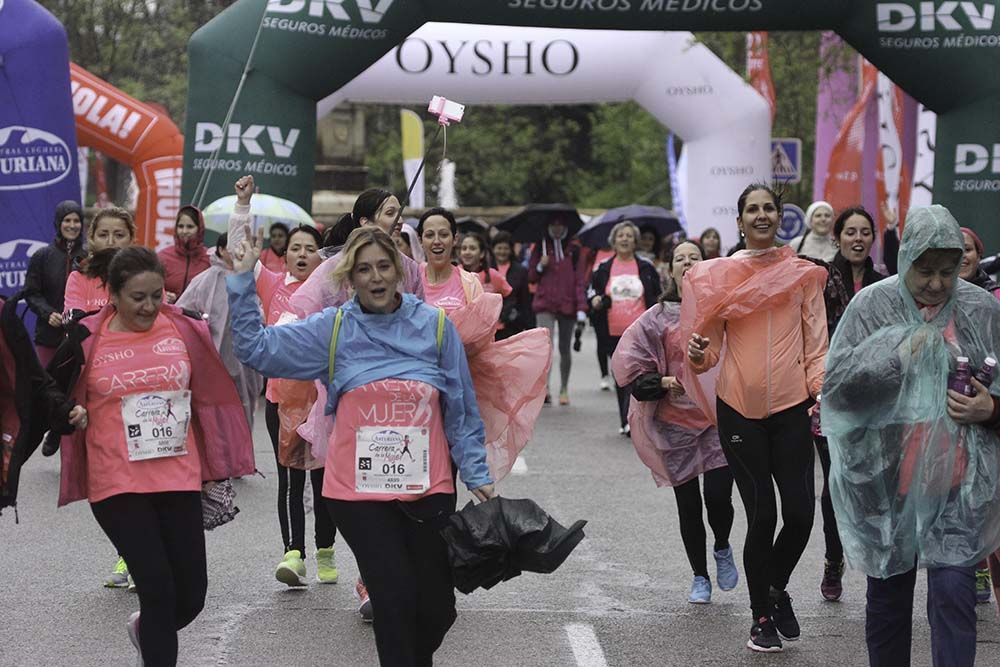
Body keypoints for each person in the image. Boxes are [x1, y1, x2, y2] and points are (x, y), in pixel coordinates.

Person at [227, 225, 494, 667]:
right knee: (392, 599)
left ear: (401, 273)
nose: (374, 276)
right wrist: (240, 281)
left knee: (436, 609)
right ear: (349, 278)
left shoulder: (435, 328)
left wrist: (478, 474)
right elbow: (256, 348)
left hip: (429, 488)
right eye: (363, 269)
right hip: (357, 495)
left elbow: (460, 408)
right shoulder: (332, 330)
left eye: (383, 266)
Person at [49, 246, 255, 667]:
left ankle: (146, 629)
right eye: (137, 298)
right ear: (114, 295)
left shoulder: (183, 329)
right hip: (117, 480)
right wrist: (67, 412)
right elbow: (46, 387)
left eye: (157, 295)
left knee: (191, 596)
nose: (148, 306)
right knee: (158, 590)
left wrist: (215, 465)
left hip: (178, 475)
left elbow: (209, 393)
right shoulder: (87, 335)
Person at [823, 205, 1000, 667]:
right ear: (905, 260)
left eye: (948, 271)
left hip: (957, 483)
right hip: (885, 481)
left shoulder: (980, 310)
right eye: (925, 271)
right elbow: (838, 393)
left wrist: (991, 408)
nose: (938, 284)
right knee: (887, 597)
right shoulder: (872, 307)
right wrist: (896, 357)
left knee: (953, 592)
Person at [684, 183, 828, 653]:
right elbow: (707, 351)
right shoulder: (722, 275)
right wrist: (698, 353)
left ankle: (775, 586)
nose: (762, 215)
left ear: (781, 216)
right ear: (740, 221)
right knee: (762, 513)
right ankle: (761, 616)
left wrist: (820, 393)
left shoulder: (805, 275)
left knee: (802, 514)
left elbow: (816, 346)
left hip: (790, 410)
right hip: (739, 411)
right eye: (752, 209)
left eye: (769, 208)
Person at [610, 239, 738, 604]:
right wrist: (665, 381)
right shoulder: (655, 318)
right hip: (674, 424)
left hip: (717, 418)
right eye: (680, 258)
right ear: (670, 269)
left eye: (694, 258)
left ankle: (723, 546)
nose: (686, 263)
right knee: (688, 504)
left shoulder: (722, 310)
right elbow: (631, 369)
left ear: (705, 266)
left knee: (718, 497)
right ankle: (699, 575)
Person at [226, 176, 338, 588]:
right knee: (289, 477)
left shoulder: (331, 292)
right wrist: (243, 206)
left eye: (311, 248)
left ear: (320, 257)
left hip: (323, 401)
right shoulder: (271, 283)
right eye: (295, 249)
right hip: (280, 400)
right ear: (285, 255)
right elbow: (240, 254)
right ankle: (294, 553)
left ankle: (326, 550)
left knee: (324, 480)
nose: (303, 254)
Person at [419, 208, 551, 478]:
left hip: (456, 387)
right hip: (416, 389)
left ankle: (445, 518)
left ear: (454, 239)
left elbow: (483, 339)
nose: (437, 241)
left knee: (448, 467)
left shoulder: (470, 283)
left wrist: (458, 344)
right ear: (421, 240)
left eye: (444, 234)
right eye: (429, 234)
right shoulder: (411, 281)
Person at [806, 206, 889, 603]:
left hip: (875, 397)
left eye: (865, 232)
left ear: (873, 238)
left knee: (871, 480)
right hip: (831, 394)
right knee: (835, 480)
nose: (858, 239)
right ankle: (833, 559)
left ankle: (875, 561)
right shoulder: (821, 281)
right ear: (837, 238)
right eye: (850, 232)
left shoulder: (886, 283)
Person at [176, 233, 263, 431]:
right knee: (213, 420)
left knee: (242, 414)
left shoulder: (252, 275)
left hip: (245, 361)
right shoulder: (207, 279)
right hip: (212, 360)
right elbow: (181, 313)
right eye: (233, 247)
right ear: (222, 250)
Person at [589, 221, 662, 434]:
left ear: (635, 241)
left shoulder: (646, 267)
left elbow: (658, 297)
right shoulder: (603, 268)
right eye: (621, 235)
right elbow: (591, 292)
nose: (625, 239)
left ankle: (637, 418)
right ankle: (626, 420)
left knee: (638, 375)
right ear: (614, 240)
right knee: (621, 376)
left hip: (640, 332)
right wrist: (595, 301)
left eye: (629, 236)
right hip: (612, 331)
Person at [528, 216, 587, 405]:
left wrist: (581, 309)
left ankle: (563, 387)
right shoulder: (541, 247)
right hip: (545, 304)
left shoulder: (574, 250)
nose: (556, 227)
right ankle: (545, 388)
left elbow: (579, 281)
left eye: (560, 224)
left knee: (564, 348)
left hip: (568, 304)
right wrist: (540, 265)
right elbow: (531, 277)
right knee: (546, 348)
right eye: (552, 224)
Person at [23, 200, 86, 368]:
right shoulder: (42, 256)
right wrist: (48, 313)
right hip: (48, 337)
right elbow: (31, 292)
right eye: (67, 220)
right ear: (58, 223)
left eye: (76, 221)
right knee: (48, 387)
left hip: (82, 337)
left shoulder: (89, 256)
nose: (72, 225)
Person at [64, 207, 135, 319]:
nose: (111, 242)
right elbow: (74, 323)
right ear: (92, 238)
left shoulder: (146, 277)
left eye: (119, 235)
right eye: (103, 235)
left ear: (131, 239)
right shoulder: (78, 277)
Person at [157, 206, 210, 304]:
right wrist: (163, 295)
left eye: (190, 227)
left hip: (198, 317)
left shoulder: (209, 259)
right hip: (168, 316)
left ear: (200, 229)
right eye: (180, 226)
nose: (184, 231)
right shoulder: (162, 257)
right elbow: (151, 286)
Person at [491, 231, 533, 340]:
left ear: (511, 250)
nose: (502, 252)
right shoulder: (486, 269)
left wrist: (529, 326)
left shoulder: (520, 271)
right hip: (489, 326)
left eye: (505, 248)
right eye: (499, 248)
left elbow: (525, 300)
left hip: (512, 324)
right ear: (493, 249)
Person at [459, 230, 512, 298]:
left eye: (472, 248)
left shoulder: (493, 275)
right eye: (464, 248)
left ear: (482, 253)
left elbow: (508, 295)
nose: (467, 252)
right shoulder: (454, 273)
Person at [958, 226, 1000, 298]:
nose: (962, 255)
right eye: (956, 251)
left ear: (979, 256)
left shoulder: (996, 296)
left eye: (967, 249)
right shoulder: (934, 297)